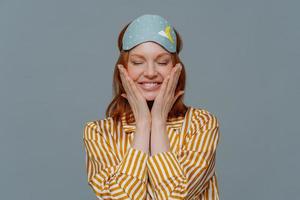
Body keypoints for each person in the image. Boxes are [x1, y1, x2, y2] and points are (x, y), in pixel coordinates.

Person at [83, 14, 221, 200]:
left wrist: (157, 123)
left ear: (176, 68)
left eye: (162, 62)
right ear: (123, 70)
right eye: (138, 62)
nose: (150, 73)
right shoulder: (99, 133)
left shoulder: (200, 124)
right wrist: (143, 125)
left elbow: (174, 196)